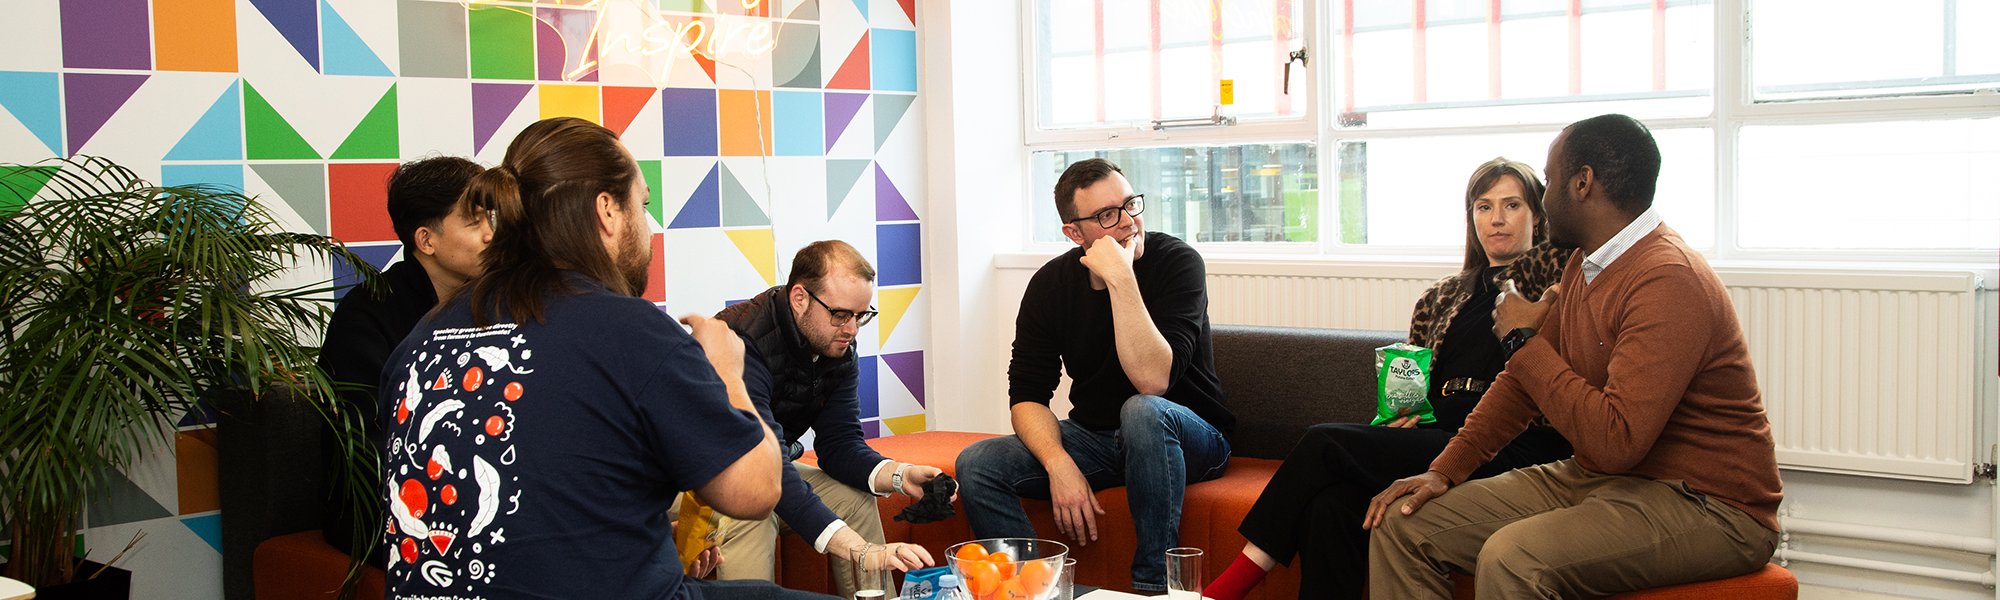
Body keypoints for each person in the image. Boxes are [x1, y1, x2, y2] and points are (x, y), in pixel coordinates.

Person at [377, 116, 819, 599]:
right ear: (607, 210)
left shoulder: (422, 337)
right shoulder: (630, 330)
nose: (646, 228)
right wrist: (727, 373)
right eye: (642, 204)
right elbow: (755, 491)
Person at [1364, 114, 1784, 599]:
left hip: (1710, 504)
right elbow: (1521, 386)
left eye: (1550, 178)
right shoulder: (1587, 262)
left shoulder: (1668, 278)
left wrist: (1522, 340)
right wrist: (1444, 470)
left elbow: (1616, 440)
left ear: (1582, 183)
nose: (1544, 196)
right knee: (1403, 524)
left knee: (1513, 558)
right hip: (1601, 478)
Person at [1204, 158, 1574, 600]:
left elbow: (1544, 386)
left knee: (1325, 441)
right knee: (1330, 506)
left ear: (1538, 214)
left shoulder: (1558, 280)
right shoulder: (1440, 297)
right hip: (1438, 432)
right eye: (1483, 206)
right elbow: (1408, 391)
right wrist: (1403, 411)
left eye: (1512, 205)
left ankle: (1228, 589)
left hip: (1509, 441)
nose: (1496, 219)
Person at [955, 158, 1234, 592]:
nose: (1128, 223)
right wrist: (1058, 462)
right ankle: (1032, 589)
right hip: (1100, 439)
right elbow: (1027, 393)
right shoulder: (1051, 285)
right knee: (978, 464)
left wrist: (1122, 277)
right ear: (1074, 232)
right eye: (1107, 215)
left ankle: (1151, 588)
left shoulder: (1177, 262)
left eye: (1131, 205)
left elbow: (1152, 381)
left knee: (1142, 411)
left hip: (1190, 435)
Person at [709, 240, 944, 594]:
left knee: (855, 499)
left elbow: (840, 444)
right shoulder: (741, 340)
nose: (851, 329)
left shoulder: (834, 342)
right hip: (693, 473)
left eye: (860, 315)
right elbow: (763, 467)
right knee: (753, 513)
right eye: (840, 314)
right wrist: (861, 550)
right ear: (800, 298)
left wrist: (900, 475)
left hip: (762, 465)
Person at [317, 156, 488, 564]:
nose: (491, 235)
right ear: (426, 241)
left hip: (474, 492)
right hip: (387, 509)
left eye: (493, 218)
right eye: (474, 222)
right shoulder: (368, 316)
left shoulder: (497, 305)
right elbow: (366, 450)